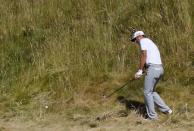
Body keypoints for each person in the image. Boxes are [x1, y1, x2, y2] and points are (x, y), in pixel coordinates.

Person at [130, 30, 172, 120]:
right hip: (159, 69)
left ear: (139, 36)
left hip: (153, 68)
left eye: (134, 40)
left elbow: (143, 54)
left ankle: (152, 117)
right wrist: (145, 68)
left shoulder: (143, 41)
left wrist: (140, 70)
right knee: (151, 91)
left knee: (147, 92)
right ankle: (167, 110)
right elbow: (149, 57)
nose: (135, 42)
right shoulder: (149, 42)